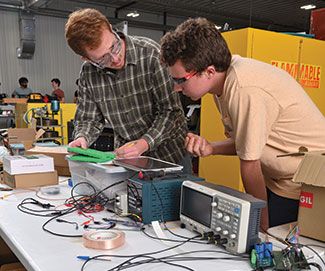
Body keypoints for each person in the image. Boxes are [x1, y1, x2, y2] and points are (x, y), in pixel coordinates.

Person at [160, 18, 325, 231]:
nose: (176, 88)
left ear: (209, 71)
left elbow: (250, 163)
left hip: (311, 181)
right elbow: (247, 142)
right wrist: (211, 148)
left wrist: (260, 228)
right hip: (281, 180)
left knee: (284, 246)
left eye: (181, 80)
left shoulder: (243, 88)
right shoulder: (221, 84)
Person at [64, 8, 189, 169]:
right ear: (86, 58)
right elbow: (89, 119)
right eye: (103, 58)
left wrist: (143, 144)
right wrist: (82, 138)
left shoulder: (151, 55)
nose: (115, 59)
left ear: (111, 28)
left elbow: (171, 112)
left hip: (170, 157)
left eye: (114, 47)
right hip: (127, 162)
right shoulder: (88, 73)